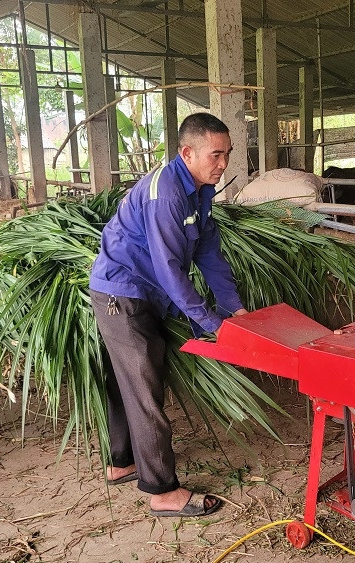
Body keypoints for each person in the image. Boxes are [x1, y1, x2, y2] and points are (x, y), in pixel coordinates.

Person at [89, 112, 248, 517]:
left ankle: (121, 463)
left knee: (128, 382)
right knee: (144, 389)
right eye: (216, 155)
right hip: (123, 294)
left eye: (227, 154)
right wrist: (212, 324)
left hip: (144, 292)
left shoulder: (200, 191)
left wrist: (235, 311)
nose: (223, 164)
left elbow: (210, 256)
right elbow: (169, 269)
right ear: (187, 152)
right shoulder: (167, 193)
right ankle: (162, 491)